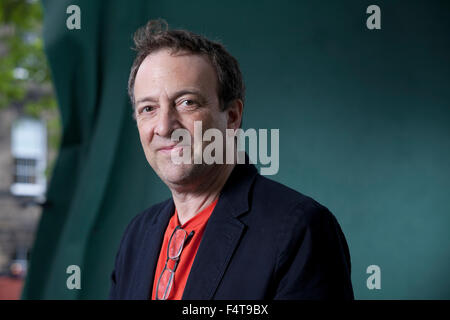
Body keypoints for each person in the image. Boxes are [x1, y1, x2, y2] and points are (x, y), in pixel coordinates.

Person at [109, 19, 354, 300]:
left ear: (232, 117)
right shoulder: (137, 235)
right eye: (148, 108)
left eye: (187, 102)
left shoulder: (299, 229)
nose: (164, 127)